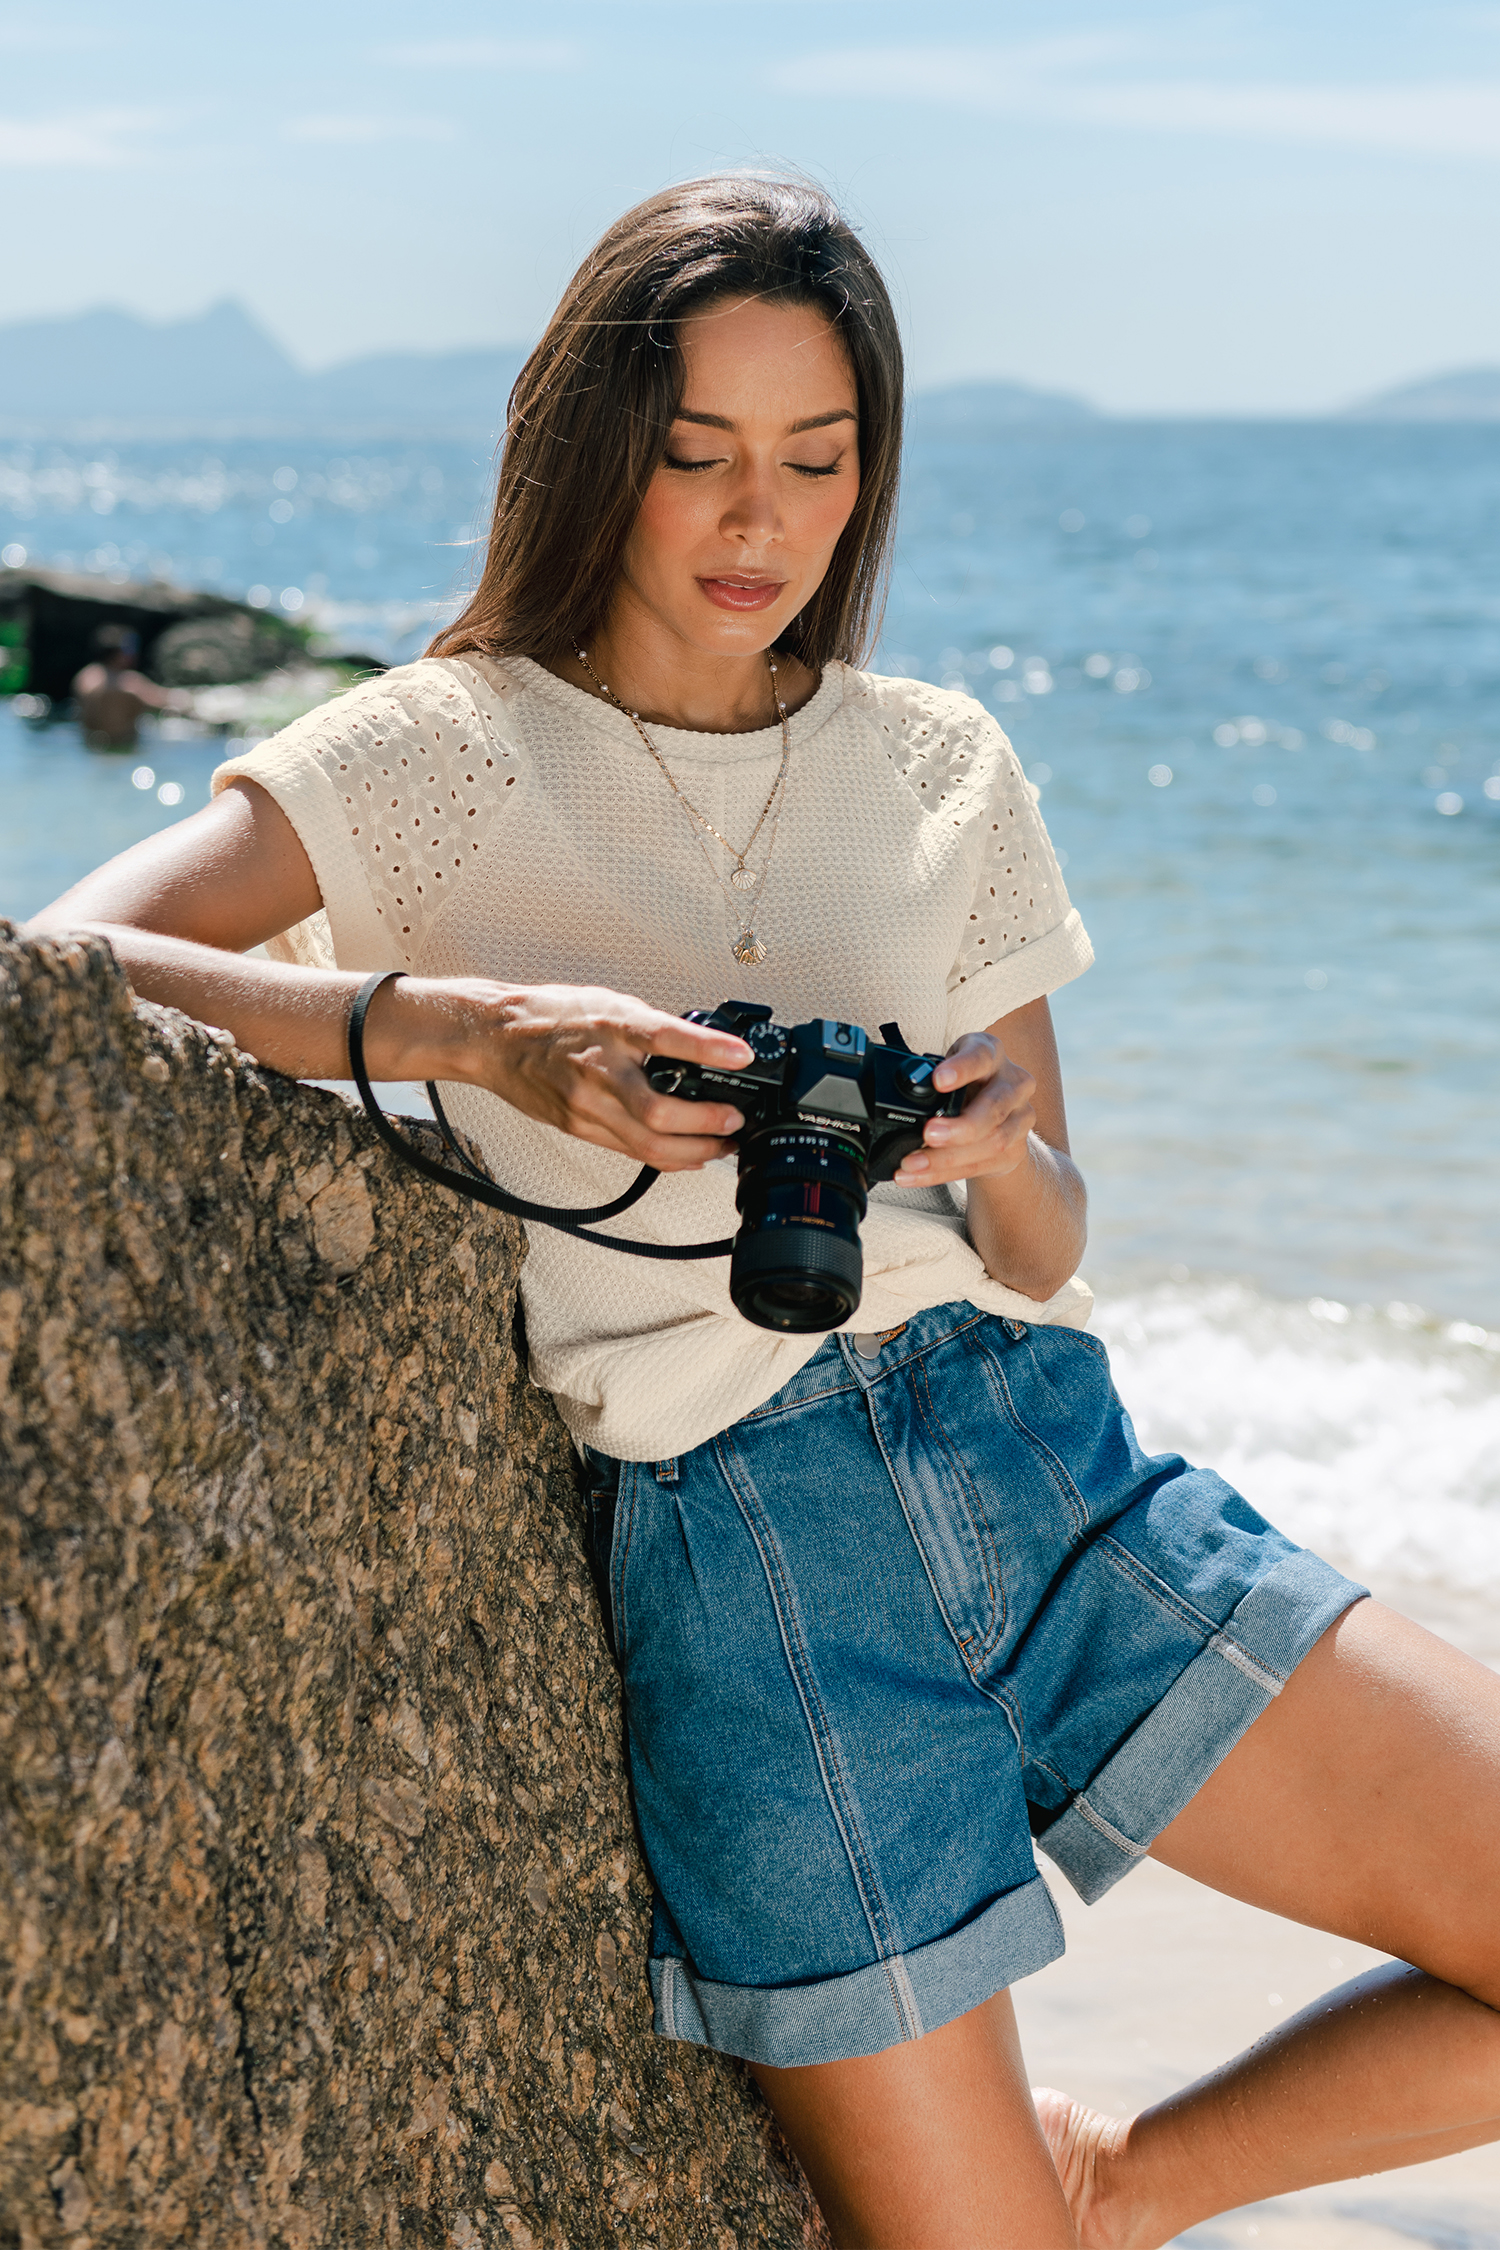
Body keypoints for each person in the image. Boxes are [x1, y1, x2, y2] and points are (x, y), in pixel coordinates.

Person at [30, 176, 1500, 2249]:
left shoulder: (944, 766)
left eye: (818, 459)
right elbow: (69, 960)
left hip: (1046, 1469)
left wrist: (997, 1151)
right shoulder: (440, 748)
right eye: (697, 452)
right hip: (751, 1570)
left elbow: (1053, 1243)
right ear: (597, 453)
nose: (759, 518)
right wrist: (470, 1031)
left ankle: (1128, 2178)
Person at [71, 624, 180, 749]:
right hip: (126, 749)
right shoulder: (129, 682)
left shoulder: (84, 678)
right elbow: (169, 703)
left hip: (93, 749)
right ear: (119, 652)